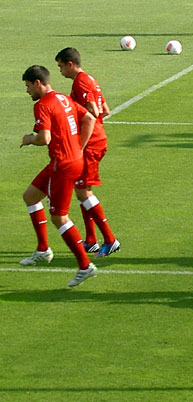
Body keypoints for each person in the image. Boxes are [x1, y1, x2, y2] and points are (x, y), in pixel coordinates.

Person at [19, 65, 98, 287]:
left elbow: (43, 138)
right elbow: (90, 119)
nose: (27, 92)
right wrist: (79, 148)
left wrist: (29, 139)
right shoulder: (63, 98)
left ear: (37, 83)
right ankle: (43, 249)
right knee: (30, 197)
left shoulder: (43, 105)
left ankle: (85, 266)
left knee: (59, 217)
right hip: (70, 159)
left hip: (62, 164)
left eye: (27, 86)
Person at [54, 48, 121, 258]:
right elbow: (106, 110)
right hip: (97, 140)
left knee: (84, 192)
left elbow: (93, 111)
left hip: (91, 144)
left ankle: (110, 240)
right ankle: (91, 240)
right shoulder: (90, 79)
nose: (60, 71)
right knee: (81, 190)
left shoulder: (81, 82)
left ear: (70, 64)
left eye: (61, 66)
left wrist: (80, 145)